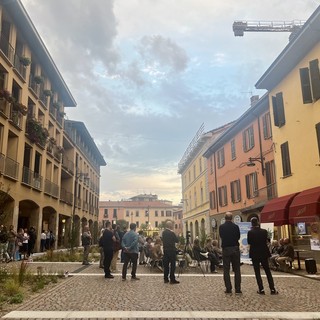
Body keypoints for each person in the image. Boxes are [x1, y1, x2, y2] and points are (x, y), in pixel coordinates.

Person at [247, 217, 278, 295]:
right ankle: (272, 289)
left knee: (257, 272)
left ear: (251, 223)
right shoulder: (264, 231)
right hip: (264, 252)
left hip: (255, 253)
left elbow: (249, 242)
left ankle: (261, 289)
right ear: (258, 222)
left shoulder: (250, 232)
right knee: (267, 271)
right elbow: (267, 240)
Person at [219, 212, 242, 294]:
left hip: (226, 249)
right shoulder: (236, 227)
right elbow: (238, 237)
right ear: (232, 218)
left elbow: (221, 236)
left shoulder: (221, 227)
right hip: (235, 248)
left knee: (226, 269)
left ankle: (228, 288)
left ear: (225, 218)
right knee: (237, 269)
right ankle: (238, 288)